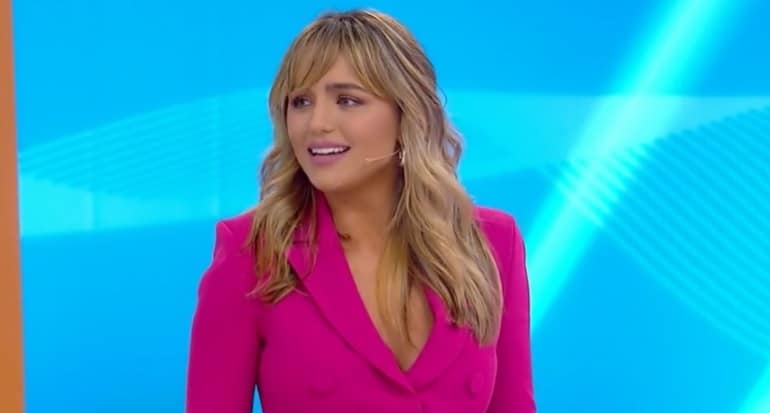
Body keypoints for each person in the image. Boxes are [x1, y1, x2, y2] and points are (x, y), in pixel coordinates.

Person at [185, 8, 535, 413]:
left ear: (406, 113)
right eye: (300, 101)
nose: (317, 123)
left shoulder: (493, 242)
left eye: (347, 100)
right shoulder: (251, 253)